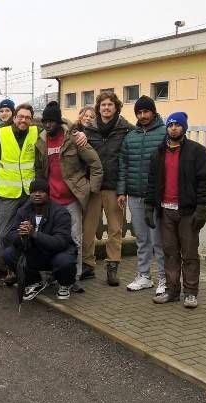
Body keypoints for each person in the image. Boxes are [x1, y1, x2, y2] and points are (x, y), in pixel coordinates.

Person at [147, 112, 206, 308]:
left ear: (184, 127)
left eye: (177, 124)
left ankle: (191, 293)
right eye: (170, 124)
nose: (173, 127)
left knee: (190, 254)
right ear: (167, 128)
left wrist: (201, 208)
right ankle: (172, 290)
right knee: (169, 253)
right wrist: (149, 207)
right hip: (165, 211)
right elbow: (152, 183)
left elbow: (205, 182)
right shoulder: (158, 153)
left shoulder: (197, 151)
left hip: (188, 211)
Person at [35, 101, 103, 293]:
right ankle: (50, 276)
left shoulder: (73, 139)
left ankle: (74, 278)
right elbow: (39, 170)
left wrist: (90, 189)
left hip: (72, 199)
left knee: (74, 239)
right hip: (52, 201)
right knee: (48, 238)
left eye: (51, 121)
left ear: (58, 121)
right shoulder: (41, 142)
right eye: (45, 122)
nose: (47, 125)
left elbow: (95, 164)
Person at [81, 92, 133, 286]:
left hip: (115, 188)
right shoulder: (88, 130)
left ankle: (112, 266)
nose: (106, 108)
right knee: (88, 229)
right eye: (103, 105)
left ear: (116, 107)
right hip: (93, 187)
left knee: (115, 229)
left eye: (110, 104)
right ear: (98, 108)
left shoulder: (126, 129)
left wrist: (123, 189)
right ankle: (87, 265)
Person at [116, 96, 167, 294]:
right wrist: (122, 191)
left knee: (159, 240)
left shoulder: (164, 133)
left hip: (156, 197)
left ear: (153, 112)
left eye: (146, 111)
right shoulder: (131, 137)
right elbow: (123, 165)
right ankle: (144, 275)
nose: (143, 115)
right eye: (139, 112)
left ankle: (164, 278)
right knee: (142, 239)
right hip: (135, 196)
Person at [3, 178, 77, 300]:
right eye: (33, 192)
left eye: (41, 191)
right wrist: (21, 236)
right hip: (35, 253)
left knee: (66, 261)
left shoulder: (60, 213)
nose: (37, 194)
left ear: (48, 194)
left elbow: (61, 242)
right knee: (9, 254)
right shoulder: (23, 211)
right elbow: (11, 235)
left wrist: (34, 234)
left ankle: (65, 284)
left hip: (55, 253)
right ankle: (35, 282)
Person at [0, 104, 39, 273]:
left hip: (29, 193)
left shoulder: (36, 132)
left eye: (27, 117)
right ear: (14, 118)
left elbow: (57, 122)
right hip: (8, 193)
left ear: (32, 119)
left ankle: (18, 268)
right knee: (4, 233)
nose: (24, 120)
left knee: (28, 231)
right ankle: (4, 265)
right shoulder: (2, 134)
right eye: (20, 117)